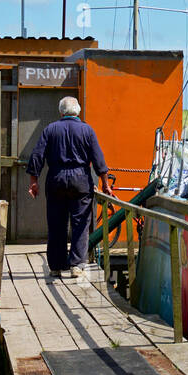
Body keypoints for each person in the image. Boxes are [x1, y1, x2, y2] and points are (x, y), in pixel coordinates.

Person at [26, 96, 111, 278]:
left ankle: (56, 266)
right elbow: (98, 158)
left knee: (56, 224)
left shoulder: (50, 130)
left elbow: (37, 155)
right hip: (80, 180)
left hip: (56, 179)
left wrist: (34, 181)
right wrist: (105, 183)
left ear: (61, 112)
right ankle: (76, 265)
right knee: (80, 224)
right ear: (78, 111)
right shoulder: (87, 130)